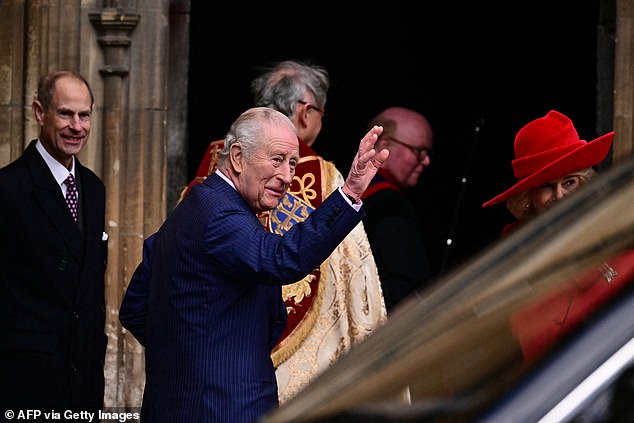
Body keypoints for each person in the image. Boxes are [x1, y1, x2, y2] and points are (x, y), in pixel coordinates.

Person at [119, 106, 389, 423]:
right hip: (224, 409)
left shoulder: (194, 207)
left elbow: (135, 307)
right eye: (276, 160)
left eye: (292, 164)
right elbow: (281, 259)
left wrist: (186, 357)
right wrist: (350, 193)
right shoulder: (221, 214)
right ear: (237, 157)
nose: (288, 176)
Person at [180, 59, 386, 403]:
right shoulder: (327, 179)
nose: (287, 176)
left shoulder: (210, 171)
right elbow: (355, 285)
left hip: (204, 372)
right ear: (305, 113)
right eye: (321, 113)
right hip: (272, 386)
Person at [481, 110, 634, 421]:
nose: (560, 195)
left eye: (570, 182)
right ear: (527, 198)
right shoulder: (513, 263)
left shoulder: (619, 241)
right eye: (546, 187)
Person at [0, 70, 108, 413]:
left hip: (83, 381)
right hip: (26, 383)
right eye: (65, 113)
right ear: (38, 112)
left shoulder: (93, 189)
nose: (77, 126)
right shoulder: (8, 188)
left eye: (85, 115)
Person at [361, 106, 435, 313]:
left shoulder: (338, 187)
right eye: (419, 151)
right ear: (385, 146)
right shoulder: (391, 206)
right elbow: (407, 292)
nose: (426, 161)